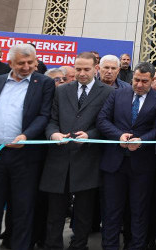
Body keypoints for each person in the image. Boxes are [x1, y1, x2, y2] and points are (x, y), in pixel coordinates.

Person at [0, 44, 55, 250]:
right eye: (21, 63)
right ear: (10, 63)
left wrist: (26, 136)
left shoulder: (44, 83)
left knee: (23, 206)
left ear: (36, 62)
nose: (26, 67)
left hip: (26, 156)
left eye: (30, 62)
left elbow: (44, 115)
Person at [40, 52, 111, 250]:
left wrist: (90, 134)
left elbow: (107, 123)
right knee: (55, 210)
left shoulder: (107, 92)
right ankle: (52, 245)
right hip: (59, 157)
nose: (81, 73)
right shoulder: (62, 90)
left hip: (87, 158)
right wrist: (53, 134)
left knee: (83, 211)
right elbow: (52, 119)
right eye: (78, 69)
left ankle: (79, 245)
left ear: (96, 69)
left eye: (86, 69)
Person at [97, 62, 156, 250]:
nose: (139, 84)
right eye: (136, 80)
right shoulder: (117, 94)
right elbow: (102, 120)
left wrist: (141, 140)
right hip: (114, 163)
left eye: (144, 81)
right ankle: (110, 246)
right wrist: (118, 136)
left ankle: (136, 246)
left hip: (142, 164)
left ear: (152, 80)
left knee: (139, 211)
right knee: (111, 210)